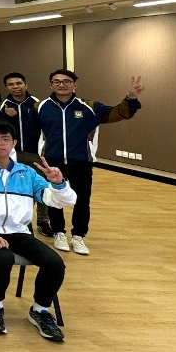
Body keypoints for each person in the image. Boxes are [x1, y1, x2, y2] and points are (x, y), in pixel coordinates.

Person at [0, 120, 77, 342]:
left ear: (13, 143)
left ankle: (40, 309)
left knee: (55, 263)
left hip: (18, 231)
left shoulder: (27, 173)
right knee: (4, 258)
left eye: (5, 139)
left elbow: (60, 201)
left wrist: (59, 184)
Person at [38, 71, 143, 255]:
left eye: (66, 81)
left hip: (81, 162)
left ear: (75, 85)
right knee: (55, 199)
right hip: (52, 162)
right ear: (51, 85)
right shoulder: (41, 106)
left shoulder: (90, 107)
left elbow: (119, 113)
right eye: (57, 81)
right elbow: (30, 130)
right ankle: (59, 232)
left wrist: (131, 98)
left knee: (82, 200)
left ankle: (78, 236)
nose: (61, 84)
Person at [0, 72, 48, 234]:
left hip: (35, 153)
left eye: (18, 83)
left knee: (41, 186)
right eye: (11, 84)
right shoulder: (2, 106)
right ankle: (21, 221)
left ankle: (43, 220)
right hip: (13, 154)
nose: (15, 87)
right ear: (6, 87)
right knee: (17, 188)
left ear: (25, 85)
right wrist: (7, 117)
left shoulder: (37, 104)